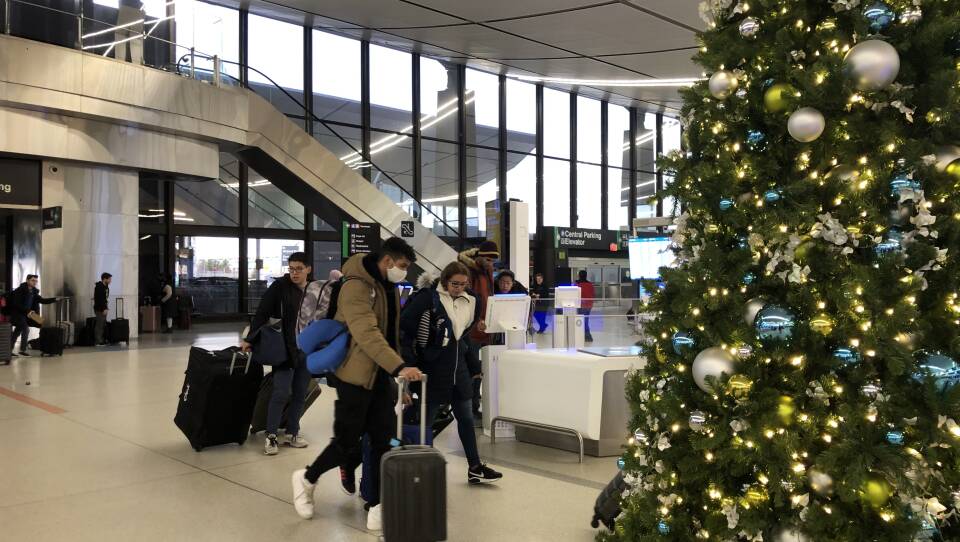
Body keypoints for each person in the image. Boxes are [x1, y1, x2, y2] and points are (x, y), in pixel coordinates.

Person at [291, 238, 424, 533]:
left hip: (380, 377)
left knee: (384, 440)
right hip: (354, 376)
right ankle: (307, 478)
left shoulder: (386, 286)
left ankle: (376, 504)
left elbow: (390, 337)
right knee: (347, 444)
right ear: (387, 261)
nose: (404, 272)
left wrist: (397, 378)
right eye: (402, 266)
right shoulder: (356, 286)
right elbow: (366, 333)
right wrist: (399, 367)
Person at [401, 261, 503, 485]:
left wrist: (474, 367)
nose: (459, 288)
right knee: (426, 421)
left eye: (463, 284)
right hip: (433, 368)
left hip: (460, 369)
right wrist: (408, 364)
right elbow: (405, 331)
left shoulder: (471, 300)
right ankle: (420, 468)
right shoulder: (427, 298)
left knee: (466, 417)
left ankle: (475, 467)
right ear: (445, 281)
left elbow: (463, 337)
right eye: (454, 284)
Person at [243, 252, 315, 456]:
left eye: (299, 269)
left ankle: (293, 432)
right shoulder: (280, 287)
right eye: (291, 269)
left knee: (300, 392)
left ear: (308, 269)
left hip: (306, 349)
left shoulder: (314, 289)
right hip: (285, 349)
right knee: (281, 392)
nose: (294, 273)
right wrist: (249, 339)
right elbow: (262, 312)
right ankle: (271, 435)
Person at [458, 240, 498, 421]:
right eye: (489, 260)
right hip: (473, 329)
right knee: (471, 368)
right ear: (481, 257)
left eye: (493, 261)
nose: (491, 264)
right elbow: (468, 299)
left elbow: (488, 297)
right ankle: (469, 408)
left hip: (486, 328)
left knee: (481, 369)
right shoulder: (469, 271)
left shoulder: (487, 271)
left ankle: (475, 404)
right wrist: (477, 320)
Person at [7, 275, 56, 356]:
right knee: (26, 329)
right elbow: (16, 304)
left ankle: (9, 350)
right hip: (18, 313)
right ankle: (22, 350)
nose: (35, 282)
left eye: (36, 281)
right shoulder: (19, 290)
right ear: (27, 280)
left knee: (17, 331)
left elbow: (42, 300)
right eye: (33, 280)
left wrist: (54, 299)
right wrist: (28, 311)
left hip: (28, 314)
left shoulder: (34, 291)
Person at [575, 270, 596, 342]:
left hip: (581, 305)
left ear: (579, 275)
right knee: (585, 320)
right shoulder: (590, 284)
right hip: (589, 305)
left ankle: (587, 336)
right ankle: (584, 335)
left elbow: (575, 294)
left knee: (583, 321)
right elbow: (593, 294)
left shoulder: (578, 284)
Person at [94, 273, 112, 346]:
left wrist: (106, 307)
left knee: (102, 324)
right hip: (99, 309)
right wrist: (104, 308)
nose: (110, 281)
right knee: (99, 325)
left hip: (104, 308)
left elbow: (104, 298)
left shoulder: (106, 287)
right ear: (105, 279)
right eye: (109, 279)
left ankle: (101, 339)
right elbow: (100, 299)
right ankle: (98, 341)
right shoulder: (99, 287)